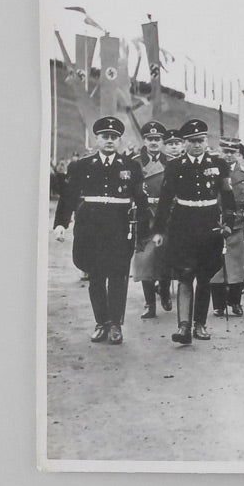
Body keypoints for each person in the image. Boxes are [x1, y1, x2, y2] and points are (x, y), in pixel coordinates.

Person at [53, 116, 150, 344]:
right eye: (105, 137)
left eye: (114, 137)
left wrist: (144, 231)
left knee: (117, 277)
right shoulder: (81, 166)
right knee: (96, 277)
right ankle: (101, 322)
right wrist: (61, 224)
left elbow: (141, 200)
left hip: (119, 231)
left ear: (119, 141)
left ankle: (116, 324)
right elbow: (68, 197)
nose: (110, 141)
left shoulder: (131, 166)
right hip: (90, 230)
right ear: (97, 139)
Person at [152, 119, 236, 345]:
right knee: (184, 275)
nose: (197, 145)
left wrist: (228, 222)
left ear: (206, 141)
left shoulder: (219, 165)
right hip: (182, 225)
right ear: (184, 143)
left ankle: (200, 324)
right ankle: (184, 326)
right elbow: (165, 200)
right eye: (192, 141)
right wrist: (159, 230)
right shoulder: (175, 166)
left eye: (201, 140)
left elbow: (228, 198)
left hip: (209, 225)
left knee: (205, 277)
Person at [131, 121, 173, 318]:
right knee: (144, 259)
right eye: (150, 139)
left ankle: (164, 290)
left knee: (165, 257)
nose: (154, 142)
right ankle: (149, 303)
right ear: (144, 140)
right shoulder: (134, 162)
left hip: (166, 216)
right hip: (143, 214)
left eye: (158, 139)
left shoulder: (172, 162)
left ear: (163, 141)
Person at [210, 138, 244, 318]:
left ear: (239, 153)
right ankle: (218, 305)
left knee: (236, 263)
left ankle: (235, 302)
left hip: (238, 222)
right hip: (215, 221)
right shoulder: (211, 170)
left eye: (232, 152)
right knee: (216, 264)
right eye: (225, 151)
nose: (228, 156)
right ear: (220, 151)